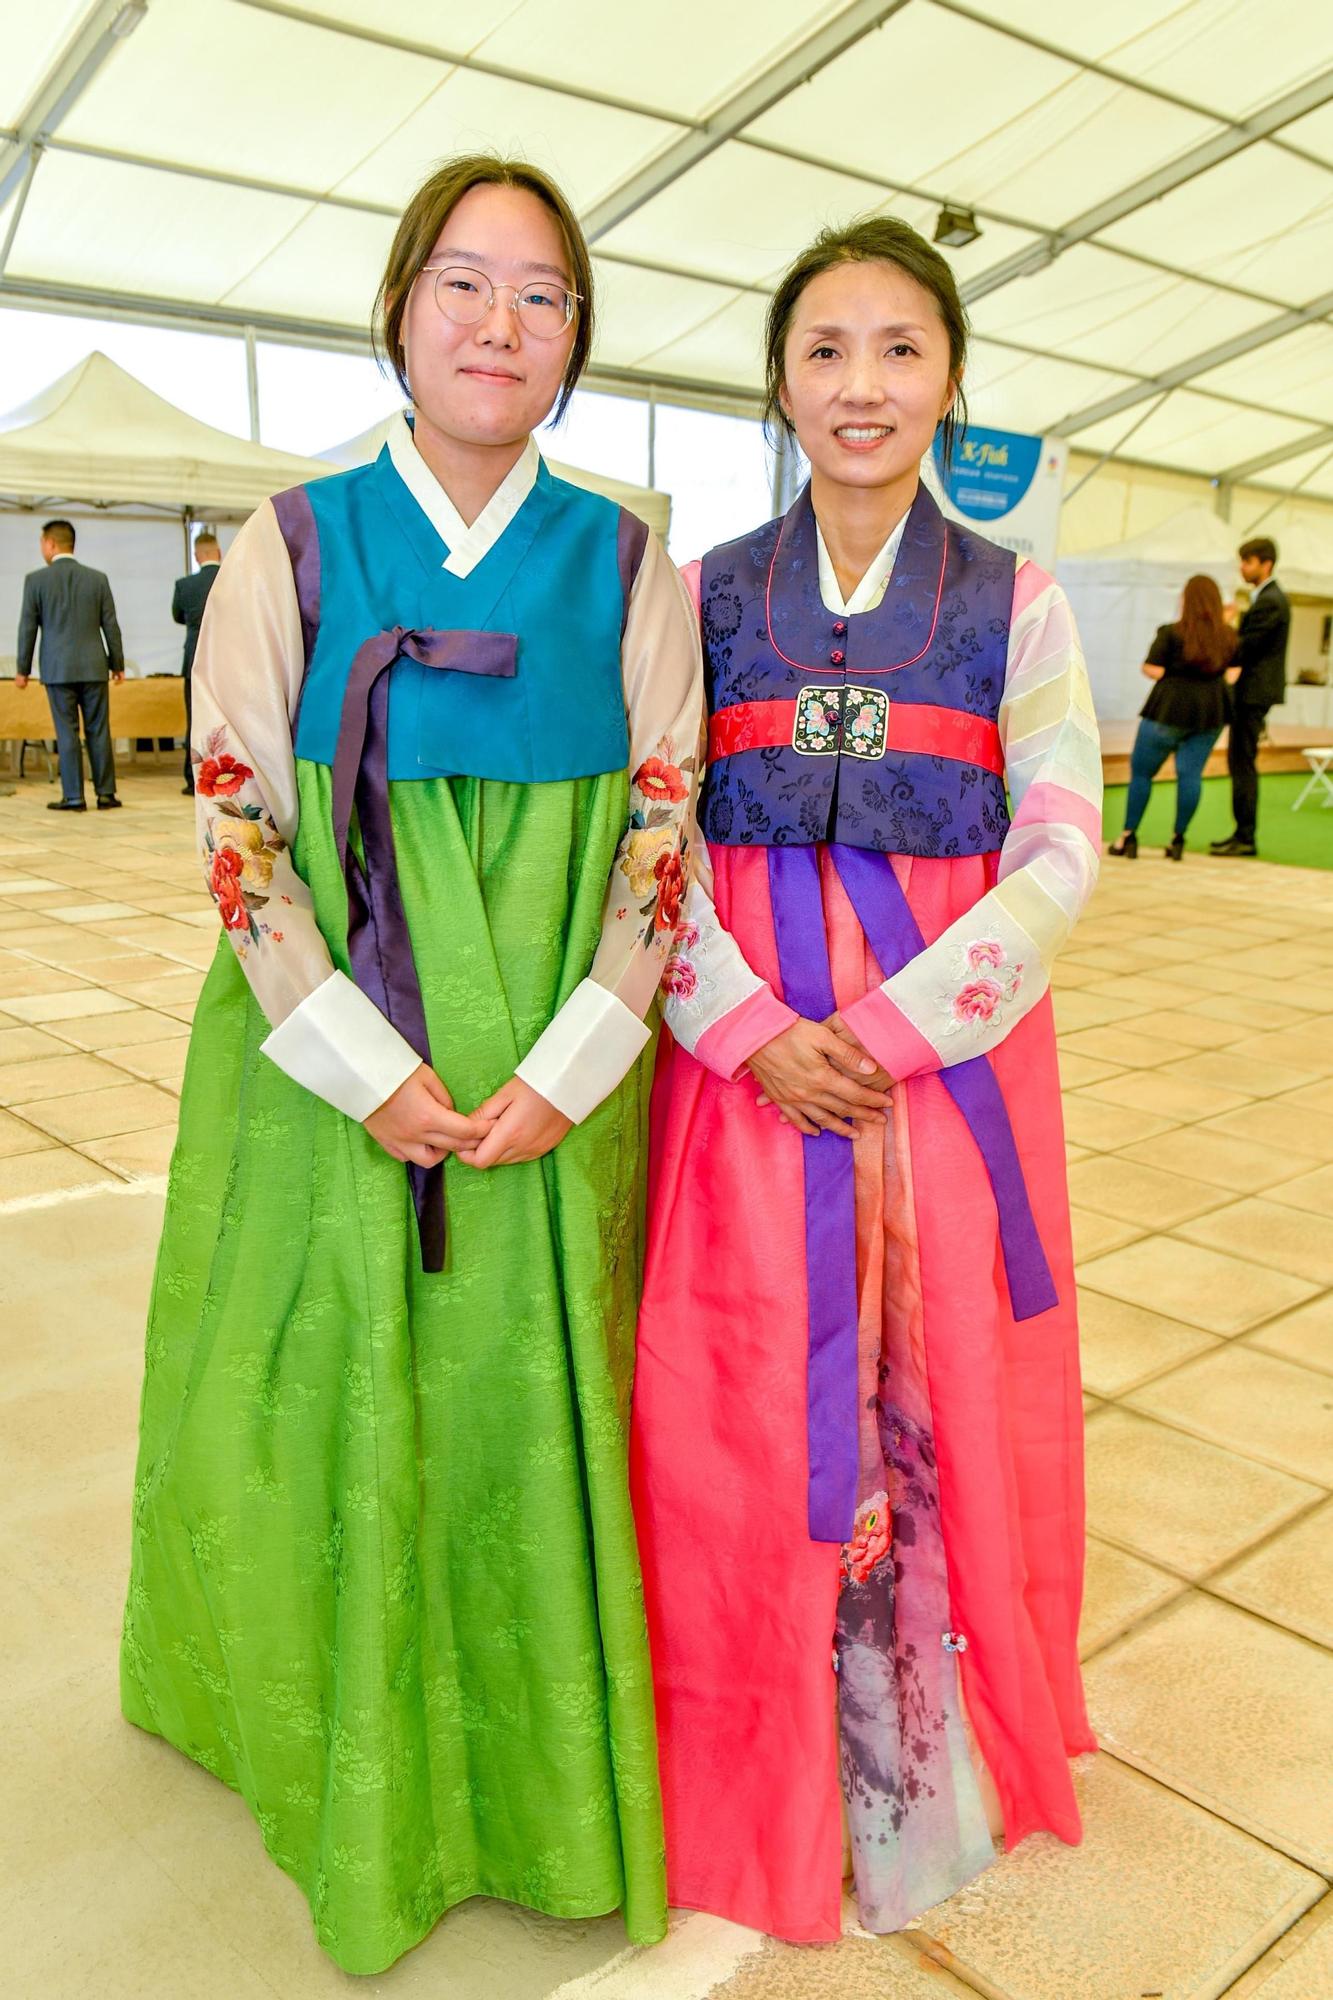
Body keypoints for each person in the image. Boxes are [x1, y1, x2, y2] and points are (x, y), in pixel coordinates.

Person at [120, 155, 702, 1976]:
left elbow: (662, 834)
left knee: (526, 1403)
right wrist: (364, 1066)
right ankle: (325, 1721)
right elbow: (240, 833)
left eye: (542, 297)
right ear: (395, 308)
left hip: (550, 1062)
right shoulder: (291, 544)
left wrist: (581, 1058)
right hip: (326, 1073)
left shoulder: (625, 560)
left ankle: (524, 1761)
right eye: (464, 283)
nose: (499, 324)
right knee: (331, 1378)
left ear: (575, 344)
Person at [630, 217, 1101, 1945]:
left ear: (949, 380)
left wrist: (895, 1031)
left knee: (933, 1393)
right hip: (751, 1084)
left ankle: (925, 1774)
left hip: (934, 1084)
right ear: (778, 377)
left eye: (898, 349)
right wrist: (747, 1023)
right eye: (823, 348)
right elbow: (650, 839)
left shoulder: (1013, 602)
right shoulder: (696, 601)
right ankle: (756, 1765)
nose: (859, 386)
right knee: (744, 1403)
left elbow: (1055, 843)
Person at [1108, 574, 1239, 860]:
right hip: (1210, 713)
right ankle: (1178, 840)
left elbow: (1151, 668)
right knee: (1190, 775)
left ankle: (1128, 838)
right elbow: (1233, 673)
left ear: (1186, 600)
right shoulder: (1228, 636)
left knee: (1142, 773)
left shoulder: (1171, 632)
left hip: (1168, 709)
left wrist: (1174, 674)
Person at [14, 518, 123, 811]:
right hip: (94, 667)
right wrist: (117, 664)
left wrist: (22, 670)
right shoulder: (97, 578)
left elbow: (28, 627)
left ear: (50, 544)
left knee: (67, 731)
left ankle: (74, 796)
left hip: (58, 669)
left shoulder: (36, 580)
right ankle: (106, 794)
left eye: (41, 543)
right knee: (99, 729)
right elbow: (110, 625)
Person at [1210, 535, 1289, 857]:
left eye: (1248, 561)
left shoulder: (1271, 600)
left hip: (1254, 693)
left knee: (1243, 763)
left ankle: (1245, 836)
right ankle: (1241, 833)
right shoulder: (1264, 598)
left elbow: (1245, 648)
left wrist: (1223, 626)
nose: (1242, 567)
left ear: (1265, 564)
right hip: (1253, 691)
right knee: (1239, 761)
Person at [172, 527, 222, 795]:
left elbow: (177, 616)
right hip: (226, 660)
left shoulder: (184, 585)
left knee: (194, 719)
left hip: (194, 658)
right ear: (219, 552)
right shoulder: (231, 578)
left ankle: (193, 778)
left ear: (196, 555)